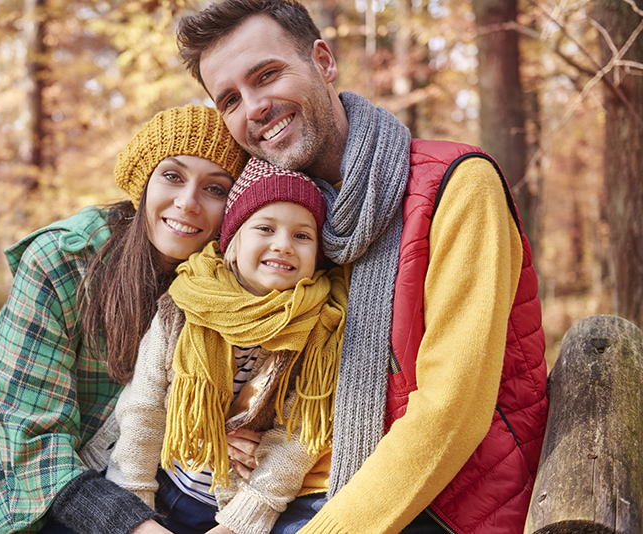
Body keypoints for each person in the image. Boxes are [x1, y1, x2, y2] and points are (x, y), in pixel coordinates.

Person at [175, 2, 549, 533]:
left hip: (436, 507)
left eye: (267, 74)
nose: (254, 106)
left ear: (323, 61)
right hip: (267, 494)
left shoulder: (457, 186)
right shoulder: (278, 220)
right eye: (231, 99)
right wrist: (237, 421)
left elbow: (451, 414)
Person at [0, 104, 249, 534]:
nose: (188, 203)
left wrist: (214, 432)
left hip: (131, 481)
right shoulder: (64, 262)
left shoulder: (224, 285)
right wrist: (132, 526)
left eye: (215, 188)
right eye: (172, 176)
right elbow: (28, 434)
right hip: (20, 485)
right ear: (144, 181)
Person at [104, 157, 346, 534]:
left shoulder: (316, 330)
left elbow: (296, 442)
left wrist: (239, 525)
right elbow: (143, 410)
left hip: (234, 505)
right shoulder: (185, 305)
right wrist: (135, 511)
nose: (283, 245)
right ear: (231, 245)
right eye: (265, 228)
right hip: (158, 484)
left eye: (302, 236)